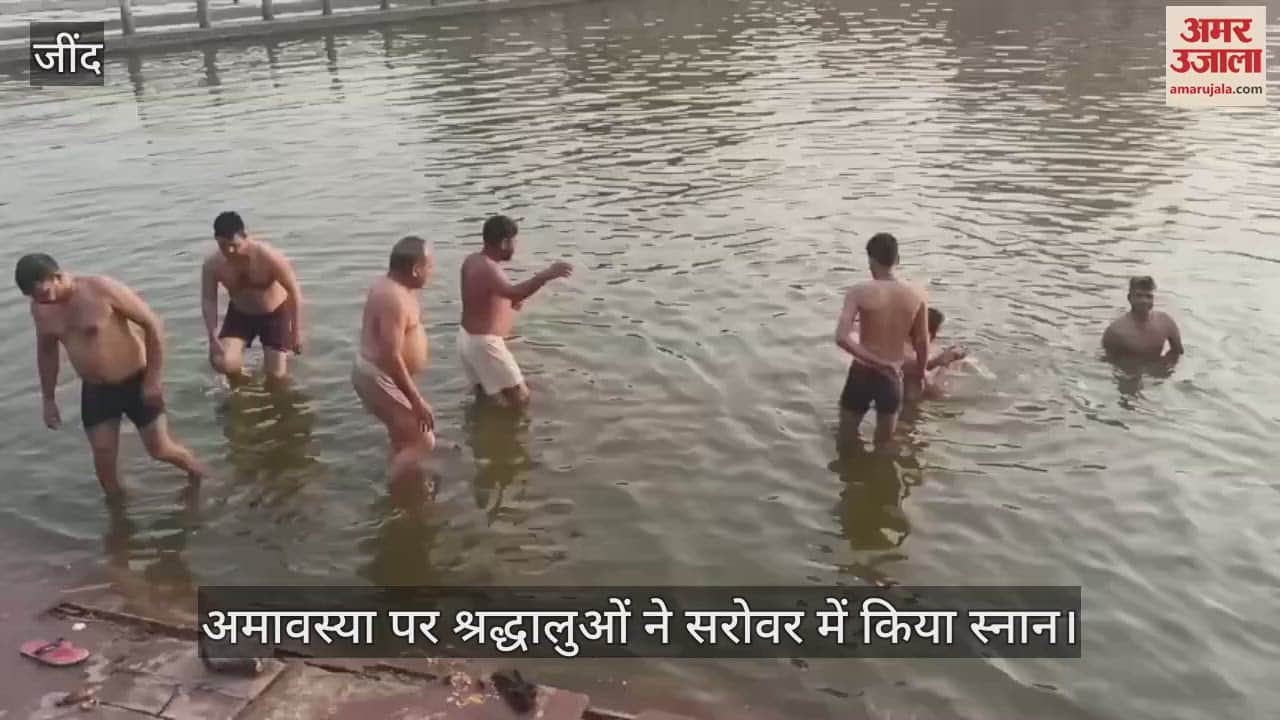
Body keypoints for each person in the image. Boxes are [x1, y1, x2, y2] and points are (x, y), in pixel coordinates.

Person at [15, 254, 205, 497]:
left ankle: (200, 474)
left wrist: (153, 380)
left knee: (160, 449)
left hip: (136, 381)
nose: (39, 300)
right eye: (32, 297)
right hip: (96, 390)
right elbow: (47, 351)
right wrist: (48, 399)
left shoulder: (100, 289)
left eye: (41, 293)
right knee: (104, 462)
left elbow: (153, 324)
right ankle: (120, 521)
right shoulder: (41, 309)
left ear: (56, 276)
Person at [458, 215, 573, 406]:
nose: (515, 246)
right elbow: (513, 292)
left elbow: (487, 296)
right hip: (485, 344)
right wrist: (546, 275)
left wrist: (509, 303)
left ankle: (482, 432)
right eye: (514, 241)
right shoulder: (488, 268)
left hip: (466, 339)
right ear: (504, 242)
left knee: (487, 398)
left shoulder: (472, 261)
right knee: (522, 399)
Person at [352, 236, 436, 495]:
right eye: (429, 266)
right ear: (415, 269)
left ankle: (410, 489)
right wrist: (416, 399)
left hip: (378, 373)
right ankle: (394, 495)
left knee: (404, 438)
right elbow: (391, 355)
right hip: (378, 375)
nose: (432, 271)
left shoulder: (392, 287)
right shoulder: (394, 298)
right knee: (423, 441)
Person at [834, 232, 929, 446]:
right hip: (892, 377)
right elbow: (922, 342)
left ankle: (850, 476)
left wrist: (877, 362)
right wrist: (921, 373)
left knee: (845, 438)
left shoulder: (858, 292)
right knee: (885, 446)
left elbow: (841, 338)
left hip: (861, 373)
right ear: (897, 260)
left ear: (870, 260)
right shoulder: (918, 294)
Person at [201, 211, 304, 381]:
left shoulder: (268, 257)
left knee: (277, 377)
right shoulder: (213, 265)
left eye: (234, 244)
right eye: (223, 245)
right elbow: (208, 300)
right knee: (221, 361)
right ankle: (240, 384)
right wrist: (212, 336)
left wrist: (296, 332)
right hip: (240, 315)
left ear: (244, 235)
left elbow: (294, 291)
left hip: (275, 314)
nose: (230, 251)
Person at [1102, 276, 1183, 362]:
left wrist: (1165, 367)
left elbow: (1178, 352)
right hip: (1130, 373)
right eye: (1139, 295)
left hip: (1156, 372)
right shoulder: (1115, 331)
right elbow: (1107, 363)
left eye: (1149, 296)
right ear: (1130, 298)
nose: (1144, 301)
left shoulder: (1166, 322)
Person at [904, 308, 967, 400]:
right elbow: (905, 365)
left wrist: (956, 354)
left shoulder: (932, 348)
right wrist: (937, 362)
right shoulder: (905, 351)